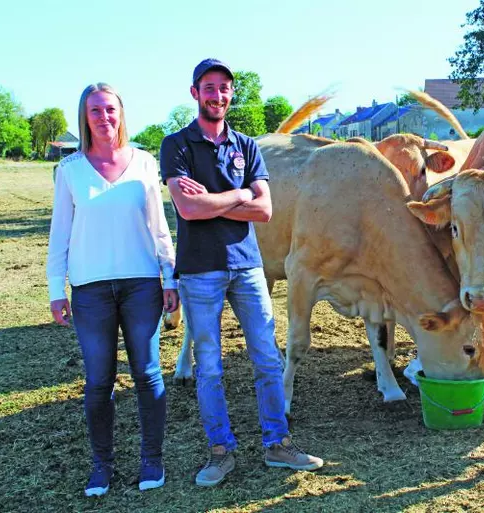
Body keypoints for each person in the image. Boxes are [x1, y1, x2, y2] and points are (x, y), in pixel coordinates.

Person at [159, 58, 323, 487]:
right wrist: (239, 195)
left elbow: (265, 210)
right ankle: (220, 451)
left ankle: (278, 444)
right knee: (209, 367)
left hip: (248, 267)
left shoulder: (247, 146)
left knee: (268, 358)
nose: (217, 95)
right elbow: (188, 209)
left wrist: (216, 197)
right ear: (195, 93)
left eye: (224, 88)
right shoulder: (175, 145)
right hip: (198, 272)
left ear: (232, 94)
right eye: (209, 88)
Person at [47, 83, 178, 496]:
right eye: (95, 111)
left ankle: (151, 460)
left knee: (147, 372)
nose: (104, 117)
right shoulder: (69, 171)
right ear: (84, 118)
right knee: (99, 381)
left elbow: (160, 228)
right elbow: (59, 236)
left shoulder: (143, 163)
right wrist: (56, 288)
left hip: (141, 285)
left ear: (121, 113)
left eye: (110, 109)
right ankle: (102, 466)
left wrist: (169, 276)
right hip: (91, 290)